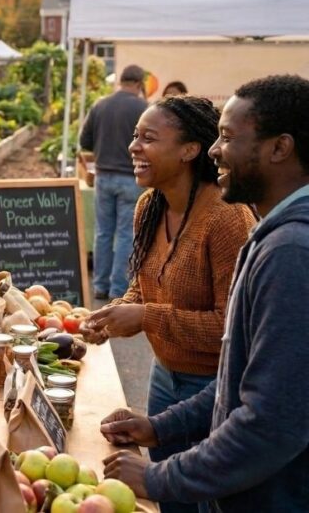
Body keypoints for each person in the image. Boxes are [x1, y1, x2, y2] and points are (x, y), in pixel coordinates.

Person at [100, 75, 309, 512]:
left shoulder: (289, 250)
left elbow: (270, 422)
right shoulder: (275, 236)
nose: (216, 149)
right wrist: (161, 426)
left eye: (228, 137)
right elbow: (240, 380)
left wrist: (160, 476)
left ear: (279, 148)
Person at [81, 96, 255, 513]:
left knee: (209, 502)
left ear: (190, 150)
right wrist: (115, 314)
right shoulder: (149, 206)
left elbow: (232, 329)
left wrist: (145, 317)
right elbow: (145, 288)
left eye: (148, 138)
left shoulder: (227, 218)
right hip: (164, 382)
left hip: (212, 392)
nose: (134, 147)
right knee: (166, 500)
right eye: (135, 137)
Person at [80, 64, 149, 301]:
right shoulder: (143, 108)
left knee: (103, 233)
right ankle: (118, 289)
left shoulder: (100, 104)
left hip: (103, 176)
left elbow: (84, 141)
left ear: (120, 80)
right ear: (140, 84)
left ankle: (99, 285)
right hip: (131, 177)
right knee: (124, 235)